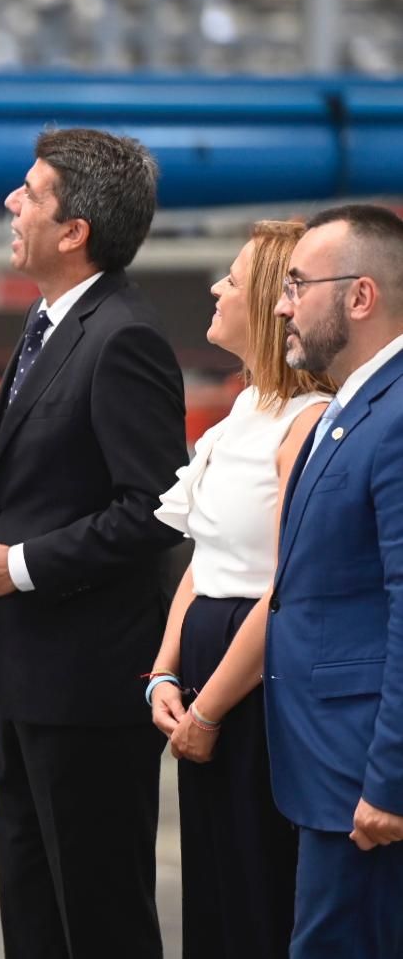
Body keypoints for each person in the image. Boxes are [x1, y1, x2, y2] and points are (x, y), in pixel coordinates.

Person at [0, 128, 188, 959]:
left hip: (89, 688)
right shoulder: (50, 323)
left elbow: (150, 510)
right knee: (34, 917)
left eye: (29, 193)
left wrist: (16, 567)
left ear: (73, 231)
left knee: (96, 918)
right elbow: (54, 487)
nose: (10, 201)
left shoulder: (122, 337)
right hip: (29, 676)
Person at [147, 220, 330, 959]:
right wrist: (163, 667)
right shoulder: (236, 416)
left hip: (253, 674)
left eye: (231, 278)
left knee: (258, 884)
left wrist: (210, 706)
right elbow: (205, 559)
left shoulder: (303, 422)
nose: (216, 288)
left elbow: (282, 582)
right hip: (204, 662)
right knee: (213, 887)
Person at [263, 203, 403, 957]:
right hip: (327, 765)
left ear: (359, 297)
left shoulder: (395, 415)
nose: (282, 305)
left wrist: (390, 778)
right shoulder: (342, 414)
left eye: (296, 285)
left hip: (365, 776)